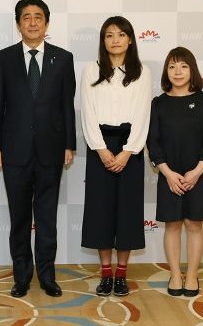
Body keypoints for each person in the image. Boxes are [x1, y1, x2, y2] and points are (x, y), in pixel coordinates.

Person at [0, 0, 76, 298]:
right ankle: (22, 277)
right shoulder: (4, 58)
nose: (33, 22)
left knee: (47, 218)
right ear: (18, 23)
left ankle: (48, 276)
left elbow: (67, 106)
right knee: (20, 219)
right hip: (14, 151)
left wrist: (69, 144)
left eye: (38, 17)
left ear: (47, 23)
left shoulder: (63, 58)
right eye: (26, 17)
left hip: (52, 150)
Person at [80, 16, 151, 297]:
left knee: (127, 213)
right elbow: (87, 111)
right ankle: (105, 273)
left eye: (121, 35)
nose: (115, 40)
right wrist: (101, 149)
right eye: (109, 35)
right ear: (103, 41)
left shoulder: (142, 72)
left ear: (130, 39)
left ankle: (122, 274)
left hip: (129, 148)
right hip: (100, 147)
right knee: (100, 212)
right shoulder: (90, 70)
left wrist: (128, 151)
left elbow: (143, 113)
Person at [147, 47, 203, 297]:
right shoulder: (158, 104)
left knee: (193, 225)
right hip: (169, 175)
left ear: (192, 70)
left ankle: (192, 275)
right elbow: (153, 142)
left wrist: (196, 172)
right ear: (166, 71)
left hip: (198, 173)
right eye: (172, 66)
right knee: (173, 226)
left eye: (183, 66)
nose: (177, 72)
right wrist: (168, 173)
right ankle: (176, 274)